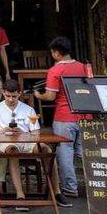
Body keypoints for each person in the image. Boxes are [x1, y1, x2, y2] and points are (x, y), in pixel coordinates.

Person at [33, 36, 89, 203]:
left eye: (52, 52)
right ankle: (95, 184)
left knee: (65, 151)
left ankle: (69, 188)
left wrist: (38, 95)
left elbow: (50, 96)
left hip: (65, 115)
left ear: (57, 53)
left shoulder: (55, 71)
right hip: (86, 114)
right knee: (86, 152)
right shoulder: (83, 67)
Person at [0, 79, 41, 201]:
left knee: (46, 149)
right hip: (4, 142)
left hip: (25, 140)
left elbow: (36, 134)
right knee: (12, 150)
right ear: (3, 93)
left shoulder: (28, 109)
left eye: (14, 96)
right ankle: (20, 193)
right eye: (7, 95)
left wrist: (23, 132)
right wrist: (2, 131)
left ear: (19, 93)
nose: (10, 99)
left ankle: (56, 191)